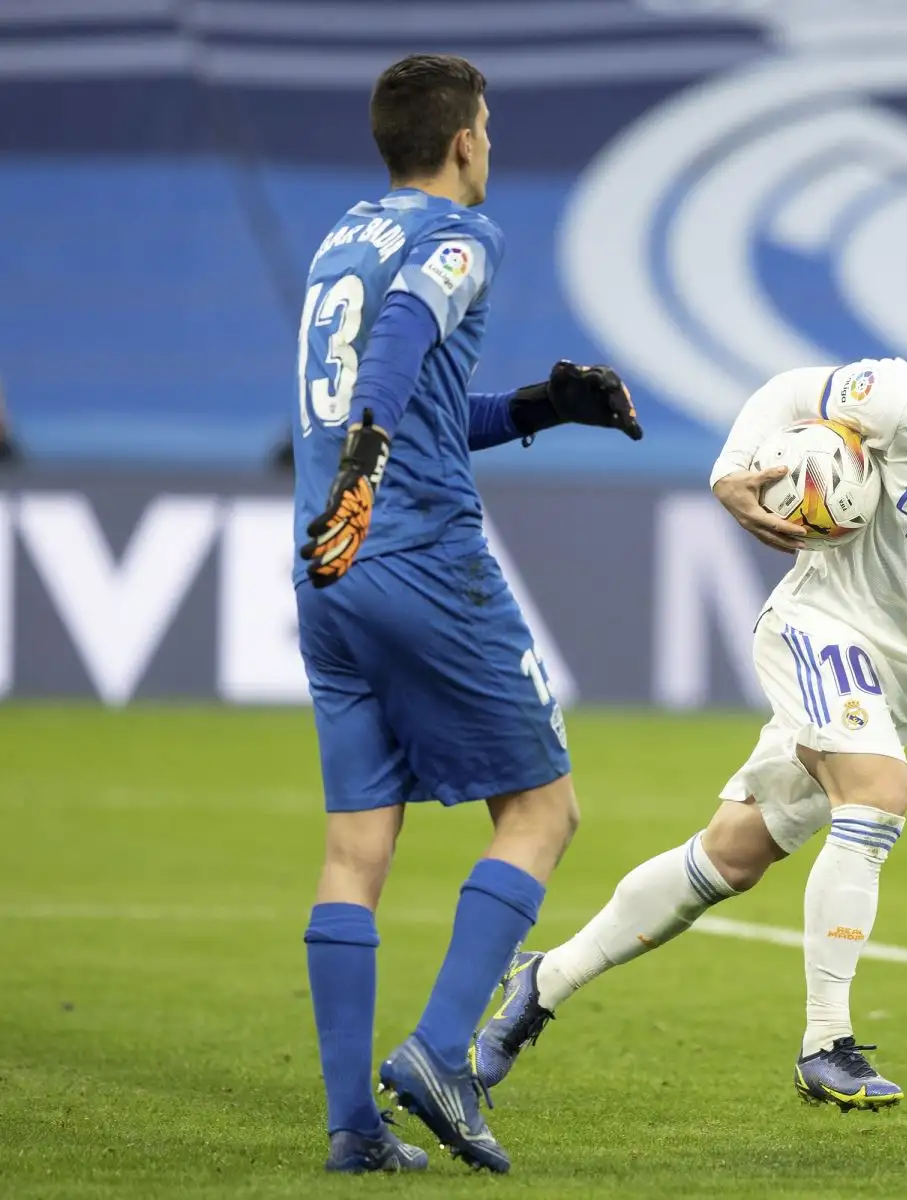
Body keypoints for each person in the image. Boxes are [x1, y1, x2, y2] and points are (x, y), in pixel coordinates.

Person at [475, 282, 907, 1111]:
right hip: (820, 627)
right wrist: (731, 472)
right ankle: (827, 1043)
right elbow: (789, 391)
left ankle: (545, 981)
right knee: (879, 792)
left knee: (731, 856)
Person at [291, 53, 641, 1175]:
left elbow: (416, 391)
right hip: (421, 553)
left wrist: (542, 406)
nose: (489, 142)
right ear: (460, 142)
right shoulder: (462, 237)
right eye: (485, 125)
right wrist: (370, 454)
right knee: (543, 811)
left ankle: (354, 1129)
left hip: (327, 569)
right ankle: (443, 1053)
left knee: (355, 849)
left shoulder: (342, 234)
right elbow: (402, 334)